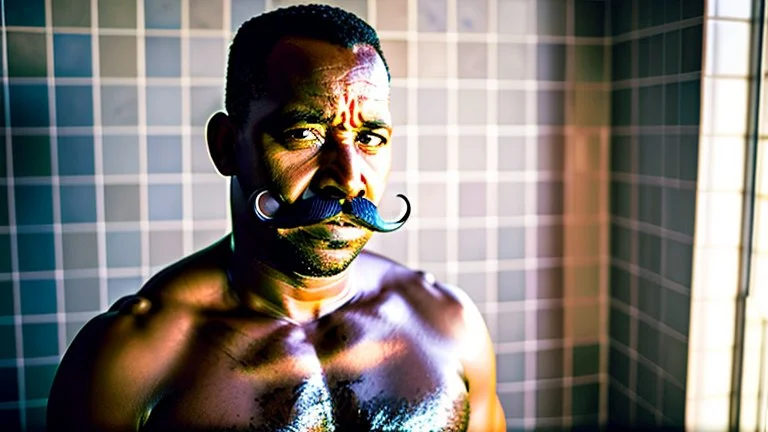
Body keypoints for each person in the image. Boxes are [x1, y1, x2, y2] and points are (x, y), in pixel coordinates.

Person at [47, 4, 505, 431]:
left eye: (370, 137)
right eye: (303, 133)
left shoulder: (449, 324)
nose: (348, 180)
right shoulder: (129, 361)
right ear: (227, 146)